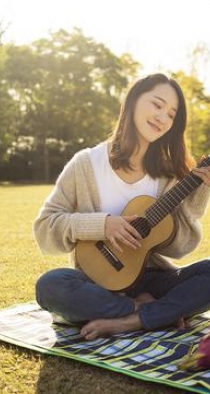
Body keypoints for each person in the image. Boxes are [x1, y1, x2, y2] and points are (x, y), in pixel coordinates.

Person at [33, 73, 210, 340]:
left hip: (151, 279)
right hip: (97, 283)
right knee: (51, 286)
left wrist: (202, 190)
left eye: (171, 114)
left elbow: (179, 246)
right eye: (157, 104)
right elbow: (45, 228)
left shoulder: (167, 174)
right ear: (134, 100)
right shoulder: (86, 165)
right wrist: (102, 225)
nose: (162, 117)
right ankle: (144, 310)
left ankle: (129, 321)